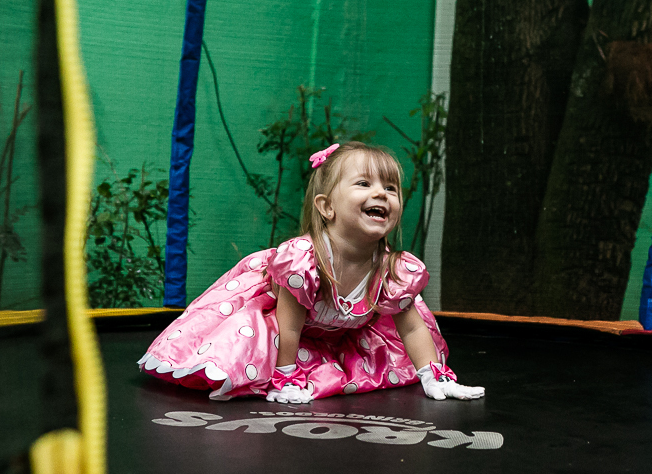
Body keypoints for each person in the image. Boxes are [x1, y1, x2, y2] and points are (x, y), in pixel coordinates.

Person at [138, 141, 484, 403]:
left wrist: (432, 376)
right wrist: (285, 376)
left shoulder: (394, 268)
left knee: (403, 342)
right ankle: (277, 369)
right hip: (282, 328)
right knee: (248, 340)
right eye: (364, 183)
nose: (381, 192)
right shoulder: (305, 259)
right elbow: (288, 324)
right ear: (327, 207)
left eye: (390, 188)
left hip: (337, 336)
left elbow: (410, 329)